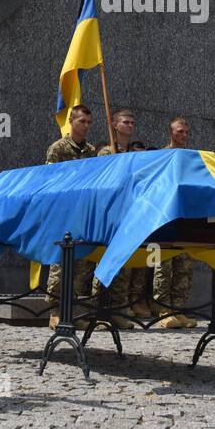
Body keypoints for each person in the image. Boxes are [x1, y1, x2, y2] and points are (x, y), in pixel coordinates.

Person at [44, 105, 97, 330]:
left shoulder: (91, 151)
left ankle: (72, 311)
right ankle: (55, 312)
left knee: (81, 265)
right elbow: (49, 181)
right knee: (60, 264)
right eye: (81, 121)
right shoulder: (58, 149)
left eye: (88, 122)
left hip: (83, 214)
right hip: (63, 213)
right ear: (71, 121)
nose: (85, 126)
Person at [95, 108, 141, 326]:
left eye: (132, 123)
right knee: (105, 262)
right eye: (126, 122)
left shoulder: (132, 156)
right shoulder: (106, 153)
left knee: (123, 265)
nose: (130, 126)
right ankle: (100, 311)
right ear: (114, 125)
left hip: (127, 216)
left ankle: (118, 311)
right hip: (109, 216)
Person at [153, 116, 198, 328]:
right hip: (165, 219)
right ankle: (163, 311)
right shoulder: (162, 156)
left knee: (184, 267)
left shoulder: (191, 160)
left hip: (185, 220)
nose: (184, 136)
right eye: (180, 131)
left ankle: (179, 310)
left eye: (187, 132)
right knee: (163, 266)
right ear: (171, 133)